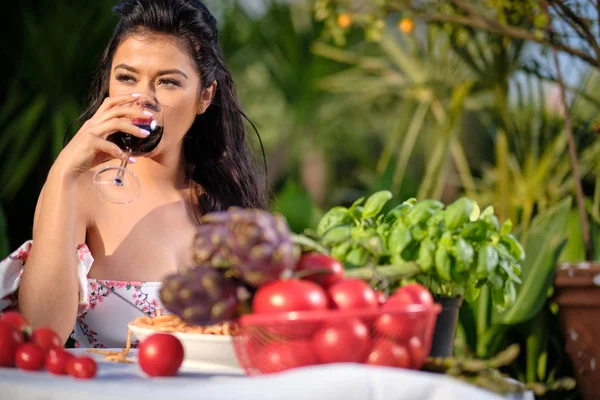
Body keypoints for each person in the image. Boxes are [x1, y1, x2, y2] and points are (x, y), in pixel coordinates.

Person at [0, 0, 266, 348]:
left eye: (168, 82)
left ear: (205, 97)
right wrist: (63, 170)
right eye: (126, 78)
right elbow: (41, 333)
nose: (143, 99)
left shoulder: (226, 202)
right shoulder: (77, 190)